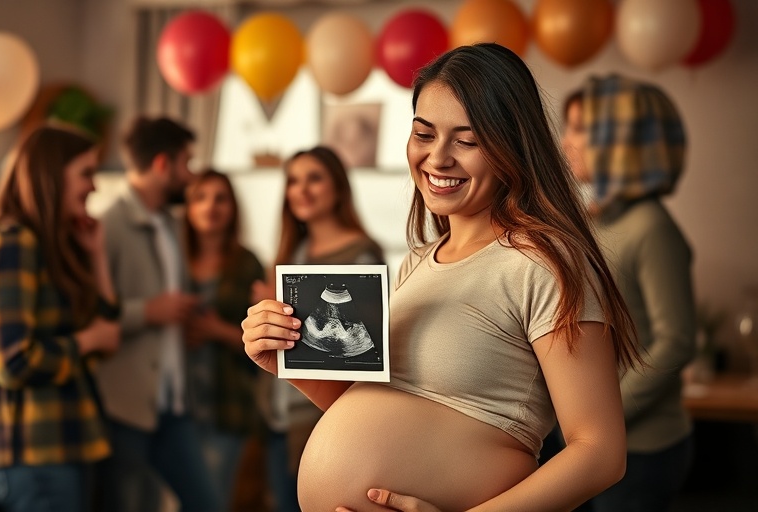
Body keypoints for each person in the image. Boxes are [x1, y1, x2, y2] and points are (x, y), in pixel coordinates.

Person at [242, 43, 643, 512]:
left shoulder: (544, 264)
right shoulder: (420, 262)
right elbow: (385, 408)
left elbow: (599, 453)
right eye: (423, 134)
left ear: (512, 146)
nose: (438, 158)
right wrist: (289, 366)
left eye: (467, 141)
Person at [0, 123, 121, 512]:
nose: (94, 187)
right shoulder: (12, 243)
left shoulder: (50, 244)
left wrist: (96, 255)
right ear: (50, 177)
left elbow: (108, 331)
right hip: (26, 458)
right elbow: (13, 362)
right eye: (85, 173)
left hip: (61, 448)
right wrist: (89, 341)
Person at [560, 75, 697, 512]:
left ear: (620, 140)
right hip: (590, 443)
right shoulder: (594, 219)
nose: (565, 141)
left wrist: (603, 415)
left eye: (580, 128)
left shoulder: (652, 227)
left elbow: (676, 340)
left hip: (640, 451)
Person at [94, 117, 220, 512]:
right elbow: (90, 316)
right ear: (163, 164)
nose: (192, 175)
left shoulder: (171, 224)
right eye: (187, 163)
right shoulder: (106, 227)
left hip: (176, 405)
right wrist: (148, 312)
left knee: (208, 503)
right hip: (125, 410)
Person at [256, 145, 384, 512]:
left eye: (314, 178)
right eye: (293, 181)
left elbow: (365, 350)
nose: (302, 190)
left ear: (338, 187)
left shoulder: (362, 254)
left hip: (327, 419)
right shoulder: (291, 252)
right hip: (278, 416)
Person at [181, 169, 267, 510]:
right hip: (175, 405)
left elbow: (265, 343)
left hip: (227, 403)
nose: (210, 206)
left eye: (220, 198)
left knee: (212, 500)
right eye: (200, 197)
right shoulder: (173, 258)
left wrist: (218, 331)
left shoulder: (247, 264)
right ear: (188, 207)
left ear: (232, 207)